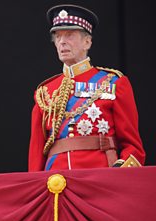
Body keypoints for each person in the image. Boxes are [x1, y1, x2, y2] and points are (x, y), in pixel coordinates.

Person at [28, 4, 146, 171]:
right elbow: (36, 154)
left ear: (87, 42)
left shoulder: (113, 83)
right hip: (55, 182)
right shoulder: (45, 91)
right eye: (57, 37)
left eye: (69, 35)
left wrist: (119, 171)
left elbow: (133, 147)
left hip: (100, 179)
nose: (62, 42)